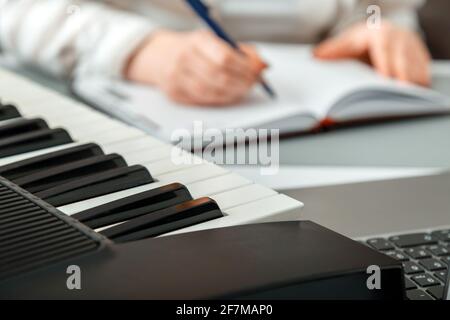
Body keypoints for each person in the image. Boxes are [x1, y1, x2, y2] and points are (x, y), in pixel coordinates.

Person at [0, 0, 431, 106]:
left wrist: (377, 24)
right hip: (105, 94)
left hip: (321, 115)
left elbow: (384, 7)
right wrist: (138, 50)